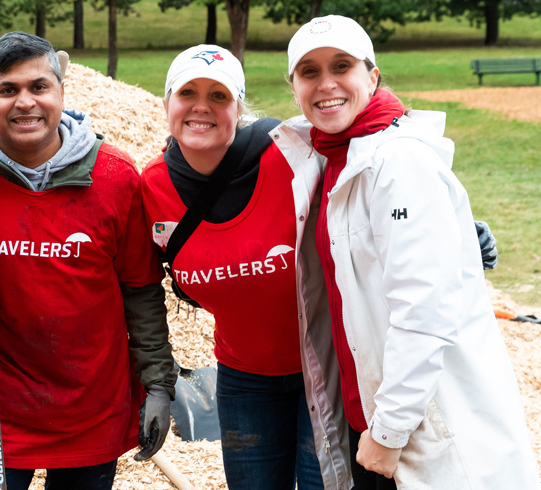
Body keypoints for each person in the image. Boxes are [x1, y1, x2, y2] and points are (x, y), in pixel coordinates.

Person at [274, 15, 540, 489]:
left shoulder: (398, 162)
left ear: (372, 77)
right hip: (374, 419)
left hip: (422, 426)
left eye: (342, 66)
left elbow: (423, 311)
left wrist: (389, 431)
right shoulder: (329, 158)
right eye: (309, 72)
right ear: (293, 86)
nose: (326, 83)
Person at [0, 31, 177, 490]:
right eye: (8, 90)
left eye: (39, 87)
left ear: (61, 91)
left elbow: (140, 291)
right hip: (0, 413)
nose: (25, 102)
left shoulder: (115, 178)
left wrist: (159, 384)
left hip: (91, 413)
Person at [138, 44, 326, 490]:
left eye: (218, 95)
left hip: (324, 370)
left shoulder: (292, 156)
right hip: (244, 380)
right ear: (167, 103)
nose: (201, 106)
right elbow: (135, 287)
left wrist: (448, 227)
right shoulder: (151, 188)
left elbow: (370, 187)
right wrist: (156, 384)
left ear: (238, 107)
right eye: (187, 92)